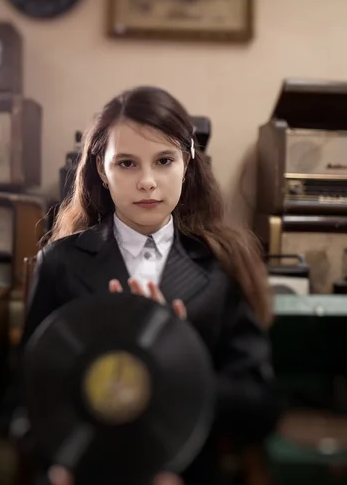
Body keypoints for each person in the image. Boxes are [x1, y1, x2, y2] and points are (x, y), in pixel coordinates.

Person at [21, 85, 281, 485]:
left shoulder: (224, 264)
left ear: (188, 164)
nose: (147, 181)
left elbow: (259, 404)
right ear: (101, 172)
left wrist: (176, 357)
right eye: (126, 163)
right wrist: (55, 465)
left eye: (163, 160)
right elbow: (22, 399)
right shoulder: (59, 263)